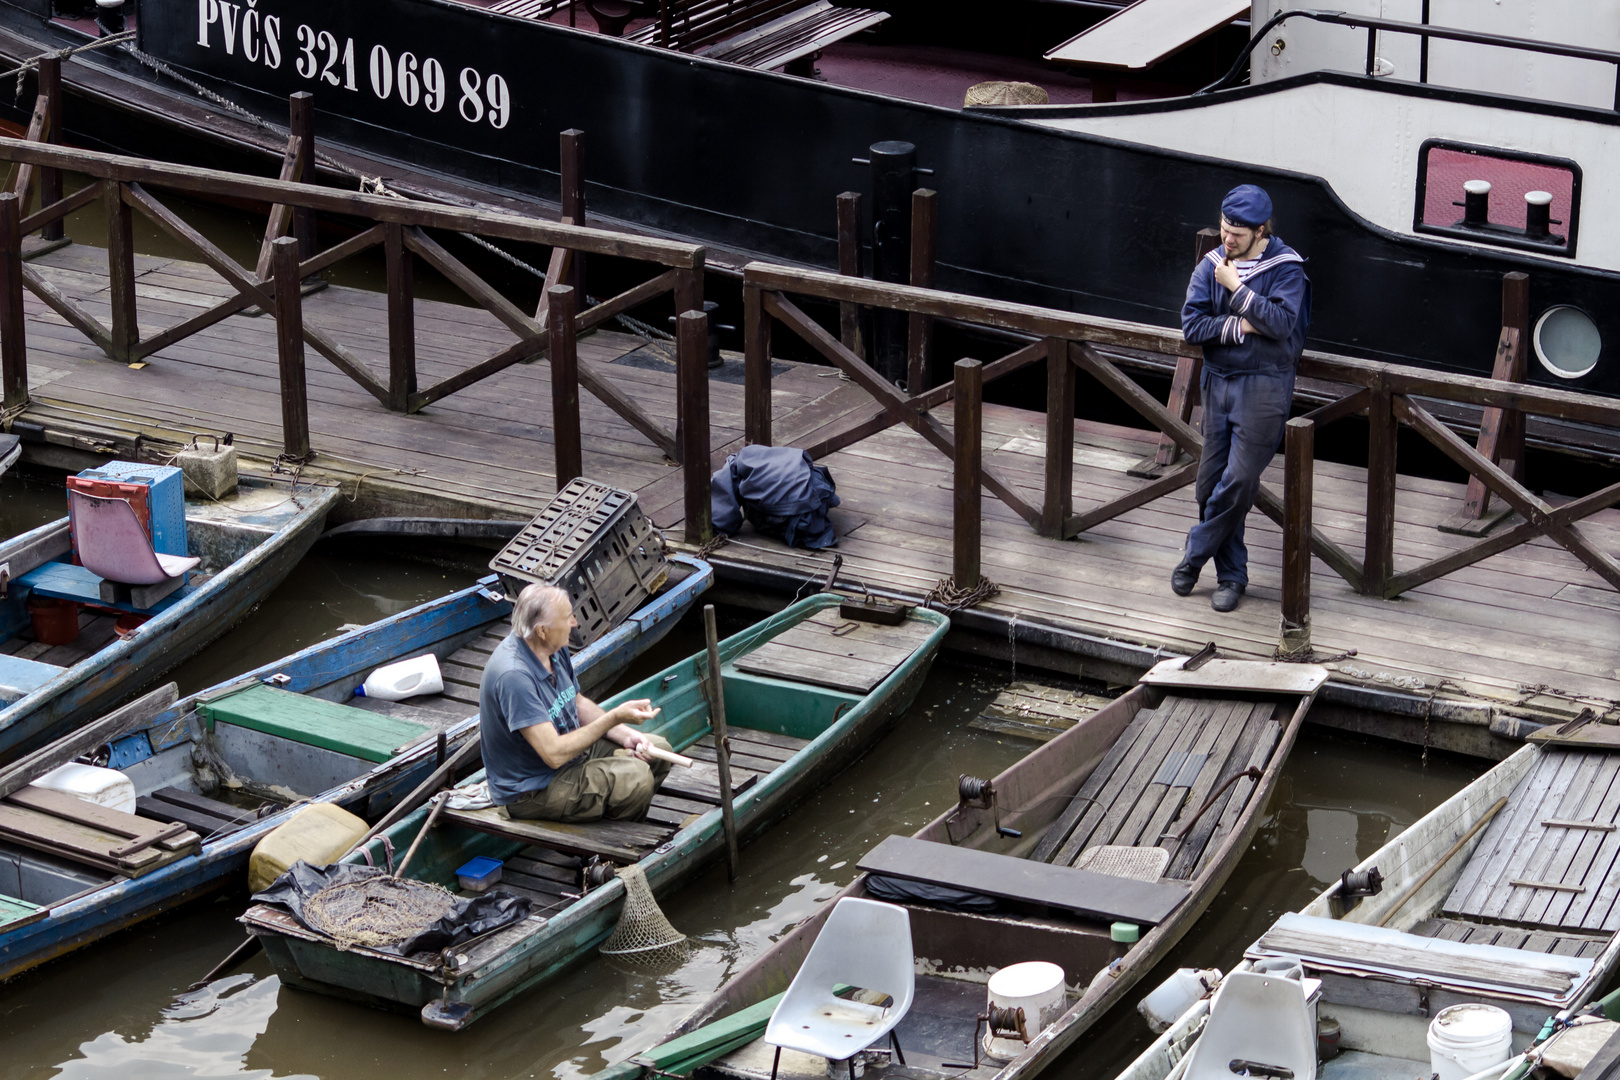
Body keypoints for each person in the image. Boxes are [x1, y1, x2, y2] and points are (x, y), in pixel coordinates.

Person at [1174, 184, 1312, 613]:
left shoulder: (1286, 269)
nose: (1226, 241)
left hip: (1264, 387)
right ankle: (1231, 575)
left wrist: (1237, 291)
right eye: (1223, 229)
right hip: (1217, 384)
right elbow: (1192, 326)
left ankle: (1196, 555)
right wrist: (1243, 325)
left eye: (1236, 234)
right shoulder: (1210, 264)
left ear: (1260, 230)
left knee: (1238, 482)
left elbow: (1282, 325)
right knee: (1207, 487)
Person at [479, 582, 673, 822]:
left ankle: (609, 816)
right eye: (567, 617)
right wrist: (614, 717)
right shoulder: (514, 676)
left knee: (659, 752)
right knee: (636, 778)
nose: (575, 623)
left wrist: (624, 735)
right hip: (532, 789)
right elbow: (553, 755)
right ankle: (608, 846)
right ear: (542, 630)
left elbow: (577, 703)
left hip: (571, 756)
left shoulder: (552, 647)